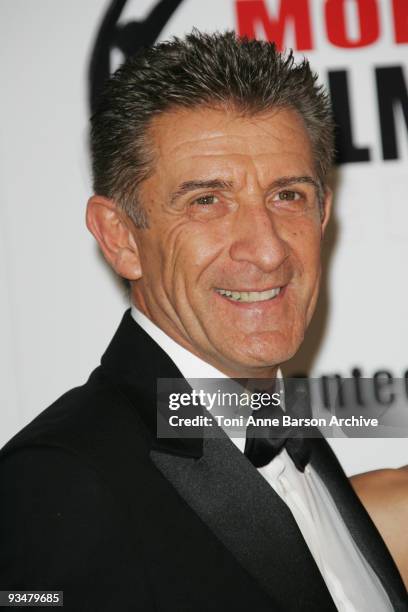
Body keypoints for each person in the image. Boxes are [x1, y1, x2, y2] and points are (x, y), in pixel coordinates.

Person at [0, 31, 406, 611]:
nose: (267, 250)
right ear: (120, 238)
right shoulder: (59, 484)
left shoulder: (291, 432)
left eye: (287, 195)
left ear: (323, 214)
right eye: (206, 201)